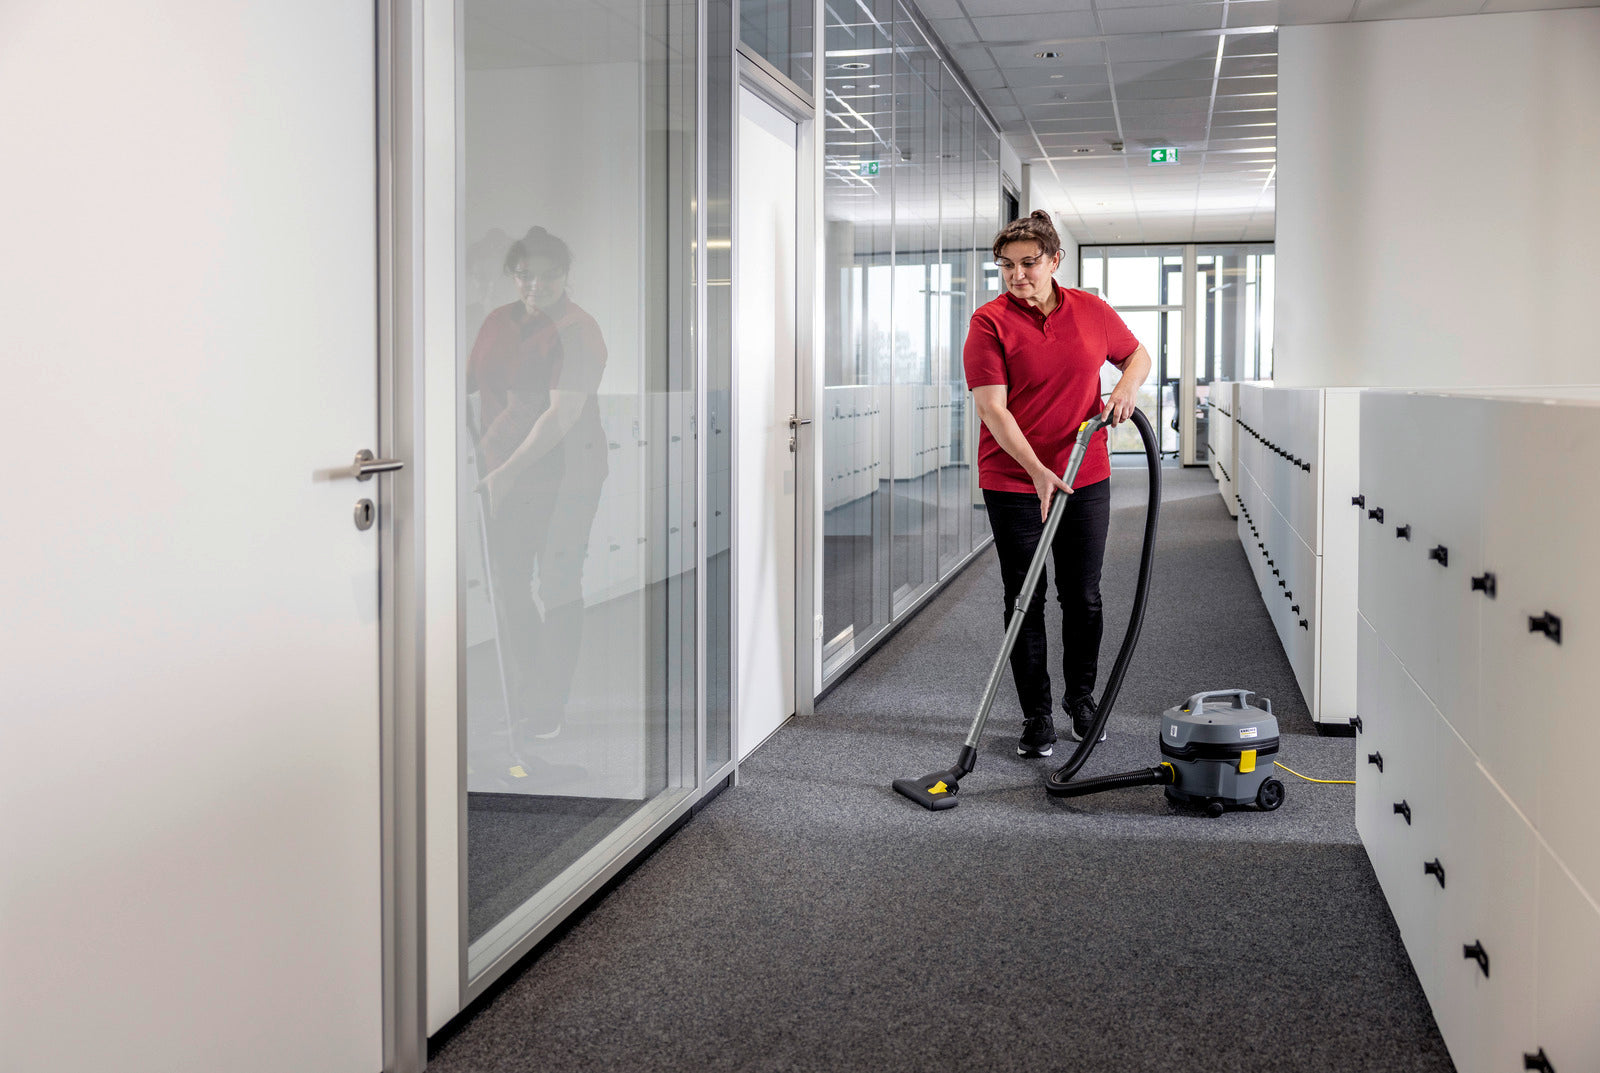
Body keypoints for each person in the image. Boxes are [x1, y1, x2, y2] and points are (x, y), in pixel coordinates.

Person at [962, 210, 1152, 758]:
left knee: (1083, 596)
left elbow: (1136, 354)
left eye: (1028, 263)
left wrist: (1125, 388)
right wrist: (1036, 470)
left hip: (1083, 474)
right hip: (1013, 480)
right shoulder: (988, 322)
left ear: (1054, 260)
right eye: (1006, 265)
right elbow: (992, 409)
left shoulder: (1091, 310)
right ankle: (1037, 716)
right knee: (1025, 597)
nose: (1017, 275)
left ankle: (1081, 700)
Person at [468, 226, 609, 758]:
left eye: (548, 276)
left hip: (566, 475)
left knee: (557, 583)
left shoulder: (579, 330)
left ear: (565, 275)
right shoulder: (495, 322)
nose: (536, 285)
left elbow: (561, 415)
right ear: (513, 274)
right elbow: (467, 383)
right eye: (525, 275)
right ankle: (528, 694)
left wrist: (505, 472)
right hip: (503, 470)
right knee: (506, 583)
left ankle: (548, 707)